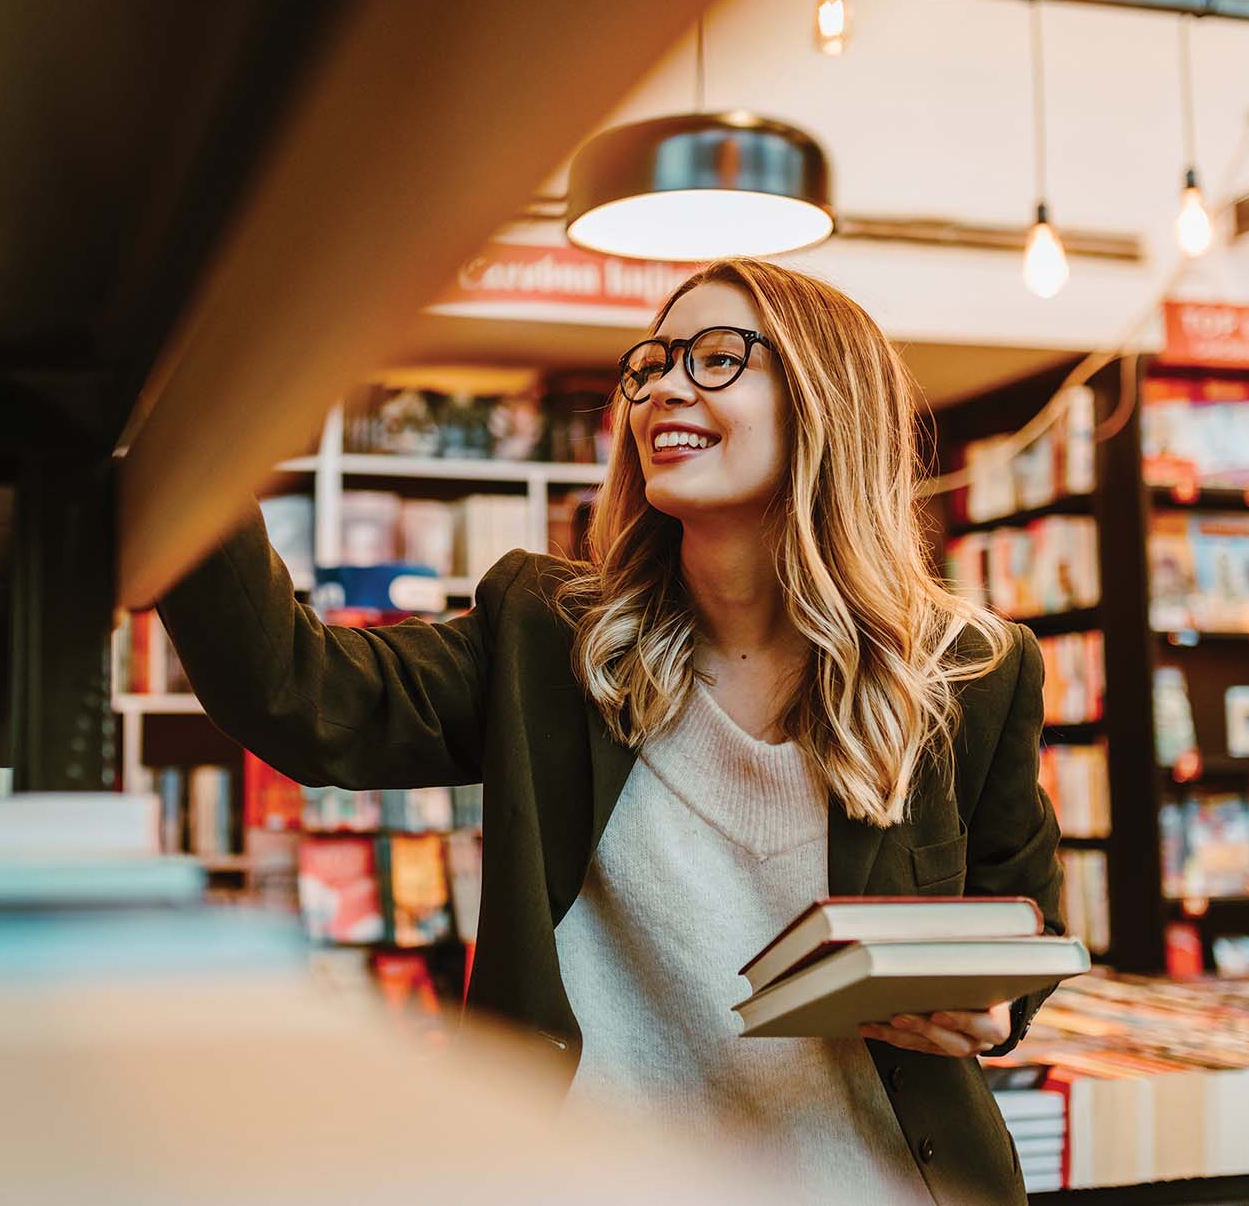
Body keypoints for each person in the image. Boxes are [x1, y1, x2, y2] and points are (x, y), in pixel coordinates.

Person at [159, 259, 1064, 1205]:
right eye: (651, 363)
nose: (663, 385)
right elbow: (296, 696)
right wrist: (195, 434)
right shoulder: (548, 639)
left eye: (719, 358)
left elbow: (1026, 916)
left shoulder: (971, 671)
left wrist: (993, 1013)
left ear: (827, 402)